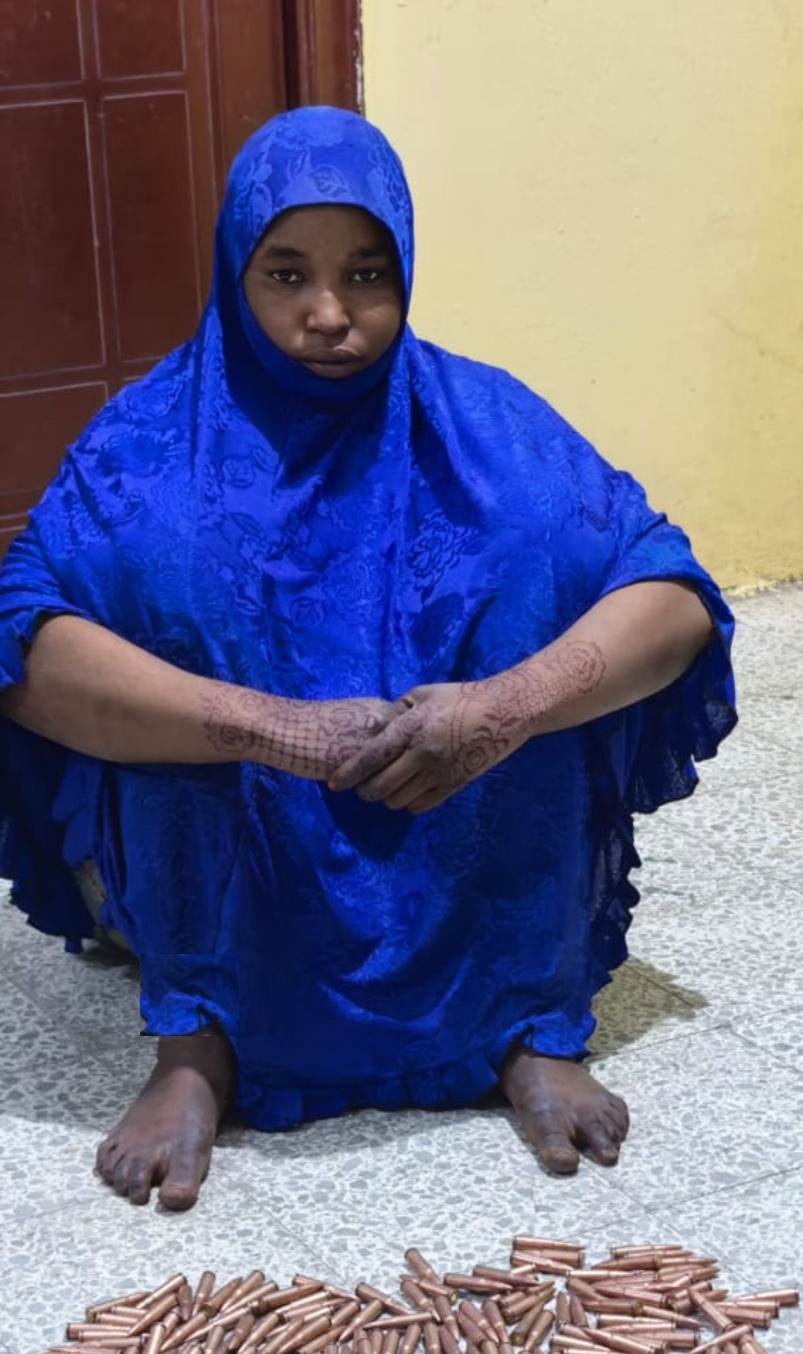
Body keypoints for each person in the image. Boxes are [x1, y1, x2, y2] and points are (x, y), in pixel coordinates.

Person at [0, 107, 736, 1211]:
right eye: (285, 274)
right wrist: (268, 726)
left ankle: (521, 1019)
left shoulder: (489, 428)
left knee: (531, 577)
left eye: (366, 274)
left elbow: (672, 598)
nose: (330, 314)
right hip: (245, 852)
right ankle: (202, 1035)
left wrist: (509, 702)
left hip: (467, 830)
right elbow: (22, 645)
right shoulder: (146, 449)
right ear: (234, 273)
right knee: (160, 599)